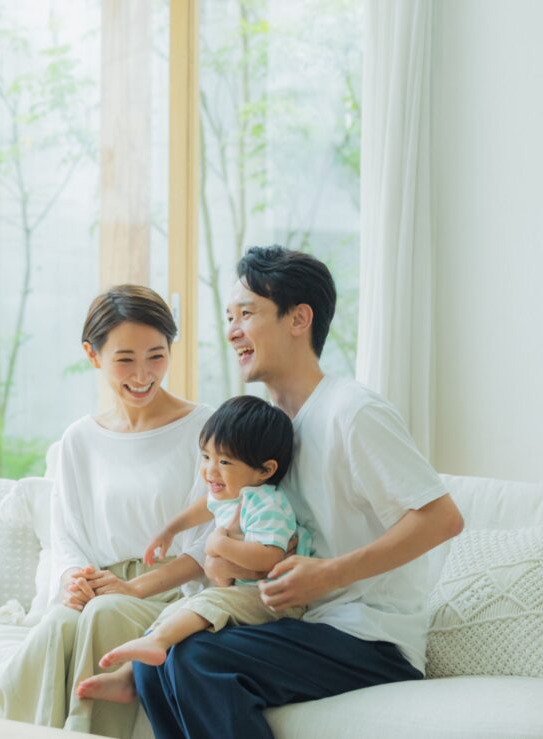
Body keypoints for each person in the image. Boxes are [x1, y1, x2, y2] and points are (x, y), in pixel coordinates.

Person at [132, 246, 465, 739]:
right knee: (152, 663)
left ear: (299, 319)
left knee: (198, 659)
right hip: (302, 622)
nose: (232, 330)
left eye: (247, 313)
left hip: (369, 637)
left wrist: (329, 573)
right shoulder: (268, 432)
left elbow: (442, 519)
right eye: (229, 317)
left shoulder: (353, 411)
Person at [0, 285, 213, 738]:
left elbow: (204, 547)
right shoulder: (80, 438)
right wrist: (74, 581)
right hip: (101, 585)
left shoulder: (205, 428)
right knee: (58, 624)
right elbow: (68, 534)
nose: (143, 374)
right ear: (93, 355)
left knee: (105, 613)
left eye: (156, 356)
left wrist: (130, 589)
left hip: (171, 594)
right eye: (125, 359)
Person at [76, 395, 311, 702]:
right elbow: (203, 507)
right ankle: (130, 677)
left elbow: (270, 557)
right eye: (206, 457)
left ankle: (149, 653)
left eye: (224, 462)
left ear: (265, 470)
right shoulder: (233, 493)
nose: (210, 471)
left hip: (274, 599)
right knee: (176, 611)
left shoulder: (266, 503)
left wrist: (219, 543)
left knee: (204, 603)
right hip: (241, 592)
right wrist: (170, 530)